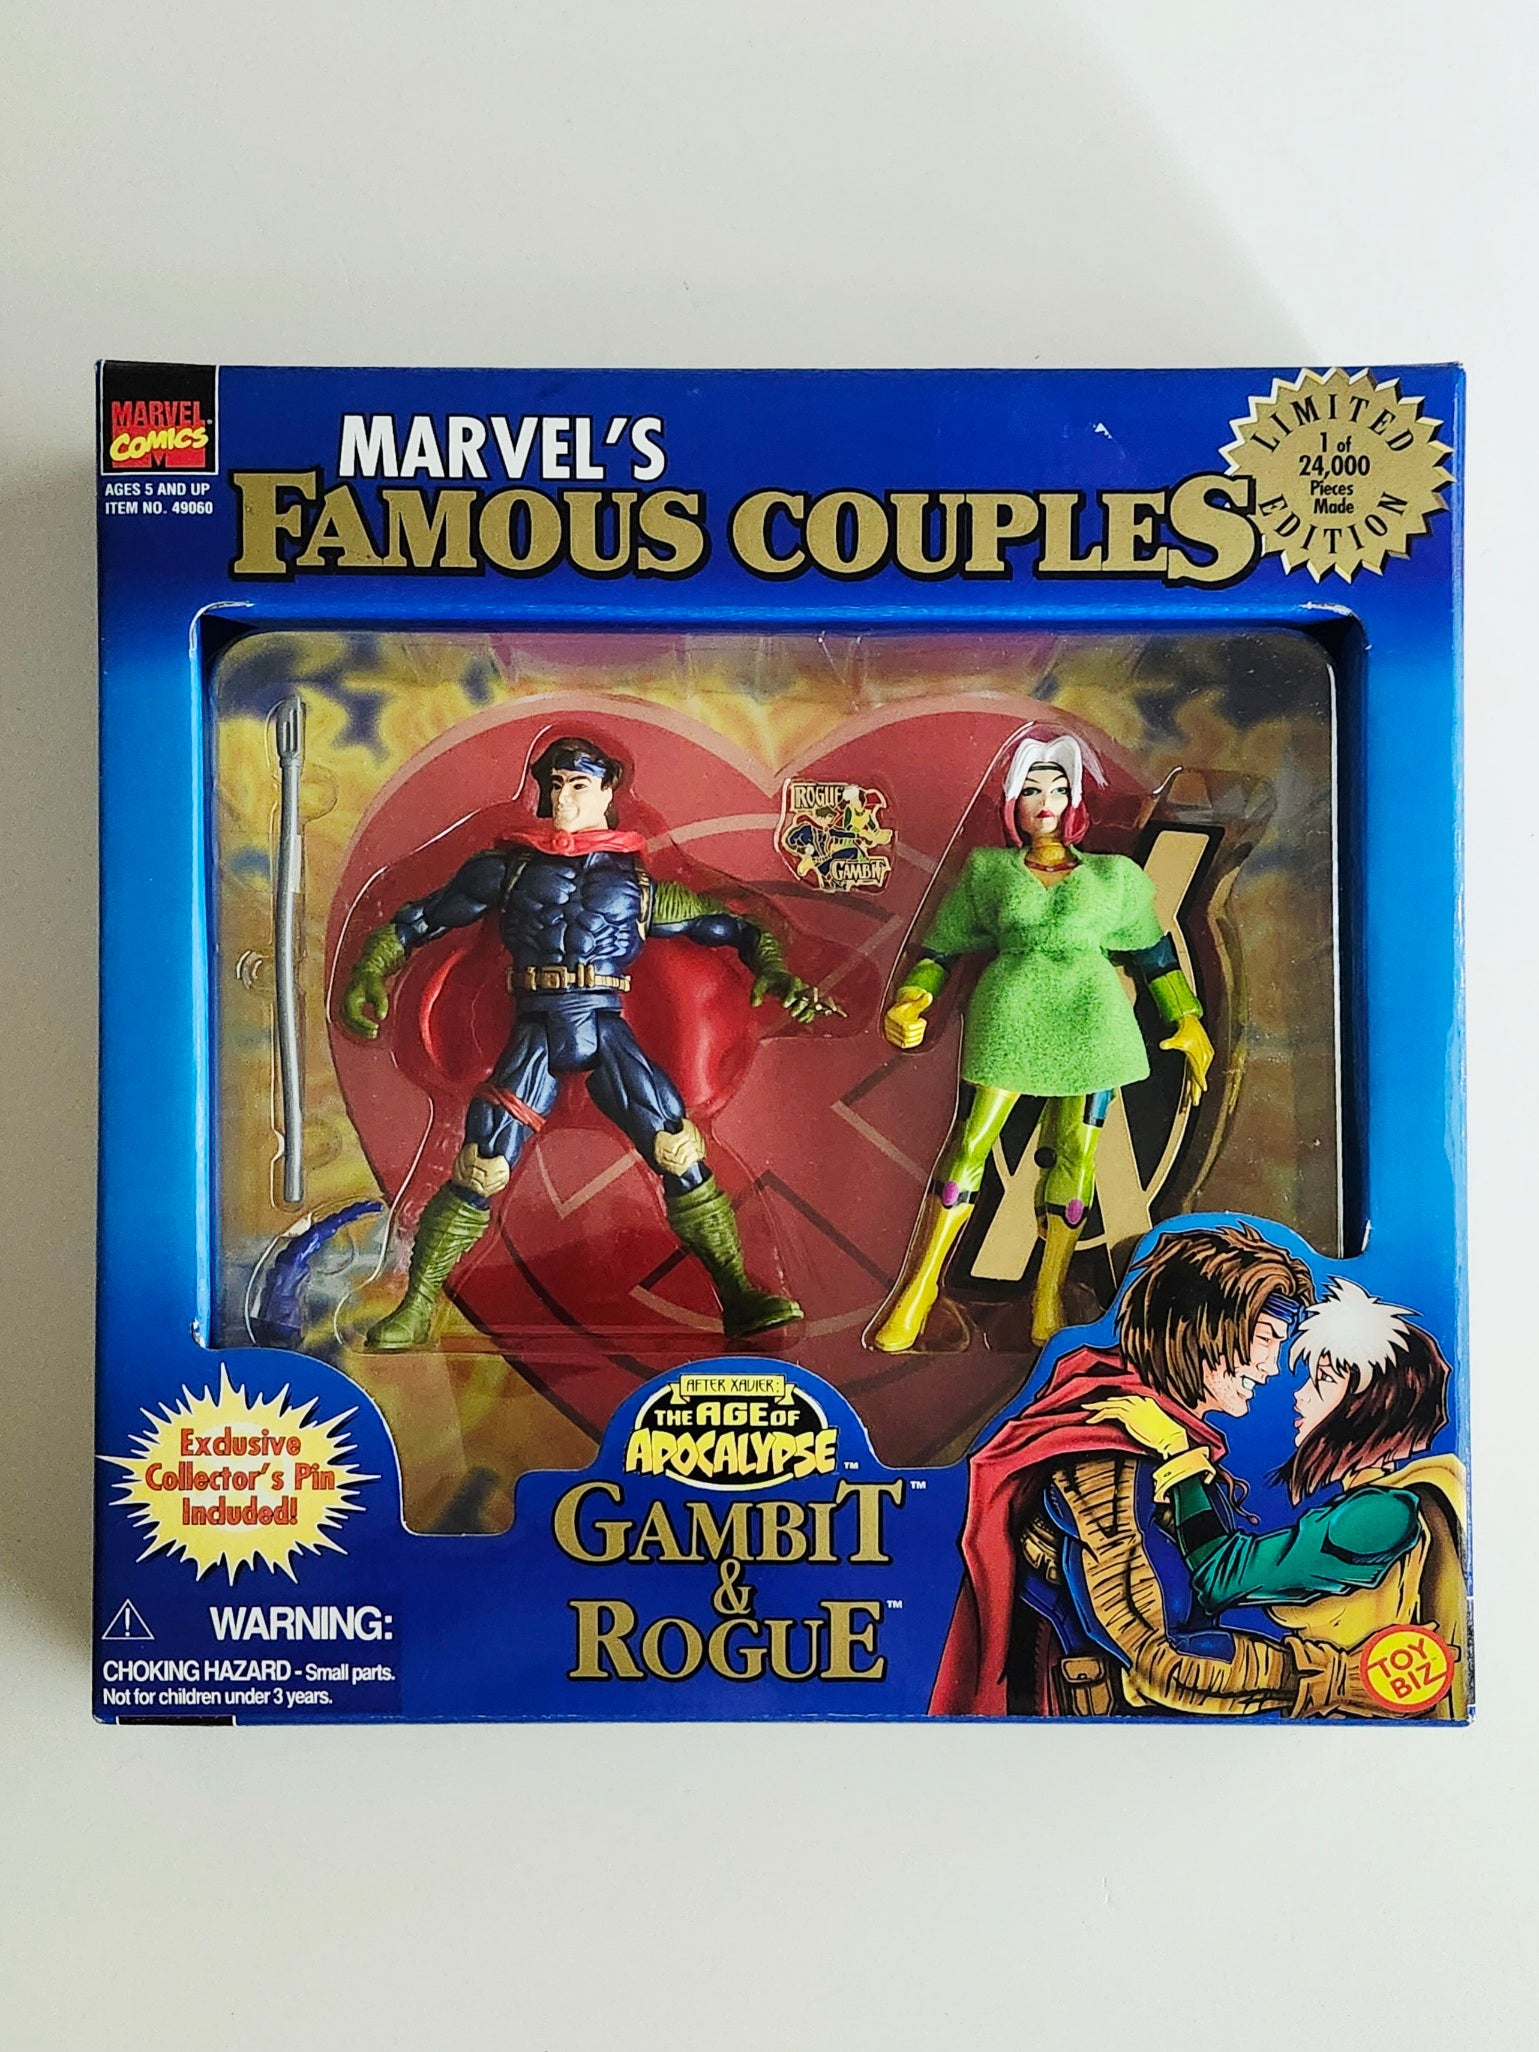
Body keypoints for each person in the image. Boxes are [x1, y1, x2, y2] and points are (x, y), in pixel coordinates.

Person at [339, 735, 838, 1350]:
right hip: (535, 1025)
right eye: (555, 786)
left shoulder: (640, 887)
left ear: (607, 792)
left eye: (578, 785)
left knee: (678, 1150)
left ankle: (738, 1294)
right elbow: (421, 917)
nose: (563, 799)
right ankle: (417, 1306)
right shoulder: (508, 870)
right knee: (481, 1165)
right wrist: (371, 969)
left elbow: (737, 928)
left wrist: (776, 971)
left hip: (604, 1025)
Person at [928, 1223, 1389, 1720]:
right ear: (1204, 1329)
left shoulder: (1167, 1445)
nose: (1273, 1367)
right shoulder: (1109, 1462)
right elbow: (1160, 1658)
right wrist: (1336, 1679)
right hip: (1081, 1734)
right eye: (1265, 1338)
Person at [872, 728, 1212, 1352]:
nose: (1046, 801)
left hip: (1093, 1023)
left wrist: (1186, 1020)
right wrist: (912, 997)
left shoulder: (1113, 877)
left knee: (1077, 1155)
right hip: (1010, 1014)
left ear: (1076, 799)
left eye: (1058, 788)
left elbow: (1154, 955)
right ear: (1013, 802)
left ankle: (1049, 1293)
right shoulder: (988, 871)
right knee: (970, 1146)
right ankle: (918, 1291)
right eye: (1031, 789)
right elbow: (941, 949)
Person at [1090, 1277, 1467, 1717]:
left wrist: (1177, 1453)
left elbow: (1220, 1577)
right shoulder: (1382, 1501)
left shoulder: (1381, 1513)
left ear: (1370, 1405)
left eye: (1322, 1381)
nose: (1300, 1395)